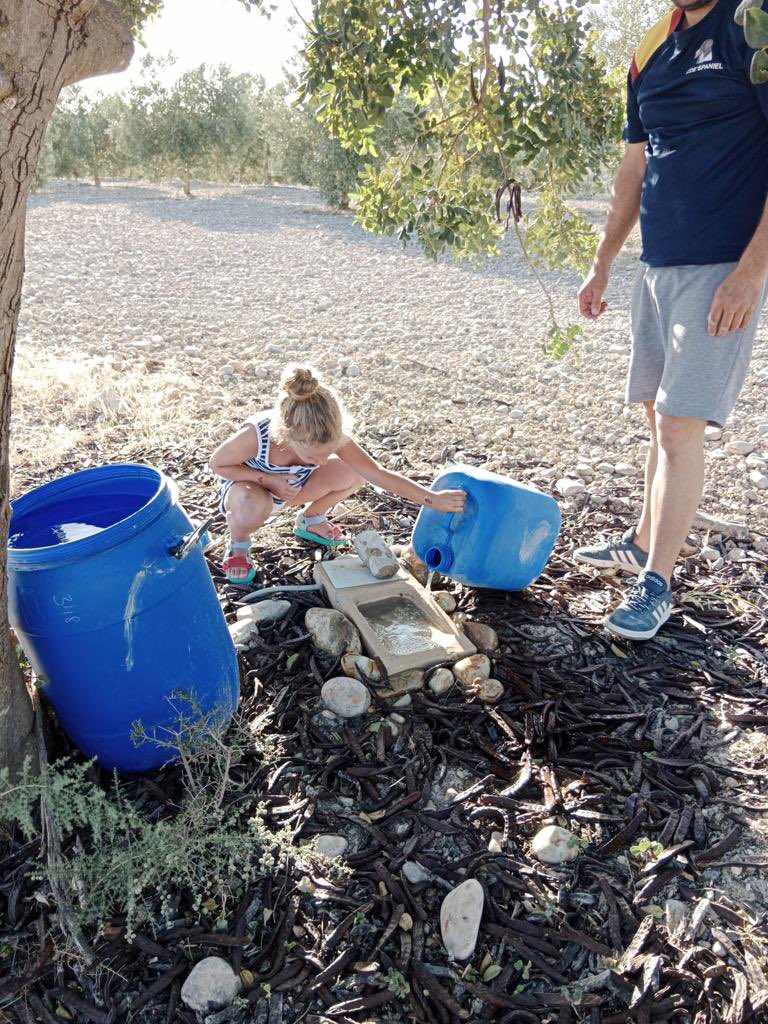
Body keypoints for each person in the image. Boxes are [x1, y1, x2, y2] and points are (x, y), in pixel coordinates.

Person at [575, 0, 768, 640]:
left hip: (721, 267)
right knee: (659, 420)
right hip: (657, 265)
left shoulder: (752, 23)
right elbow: (634, 167)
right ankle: (639, 542)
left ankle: (655, 584)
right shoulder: (651, 48)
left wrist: (750, 272)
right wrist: (604, 263)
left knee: (682, 427)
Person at [209, 365, 466, 583]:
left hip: (291, 490)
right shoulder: (258, 436)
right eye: (312, 457)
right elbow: (218, 464)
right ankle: (239, 542)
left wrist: (432, 499)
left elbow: (378, 474)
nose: (321, 462)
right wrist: (267, 479)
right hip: (249, 493)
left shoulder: (328, 434)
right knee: (249, 504)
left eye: (328, 452)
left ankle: (310, 518)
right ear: (287, 436)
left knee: (354, 472)